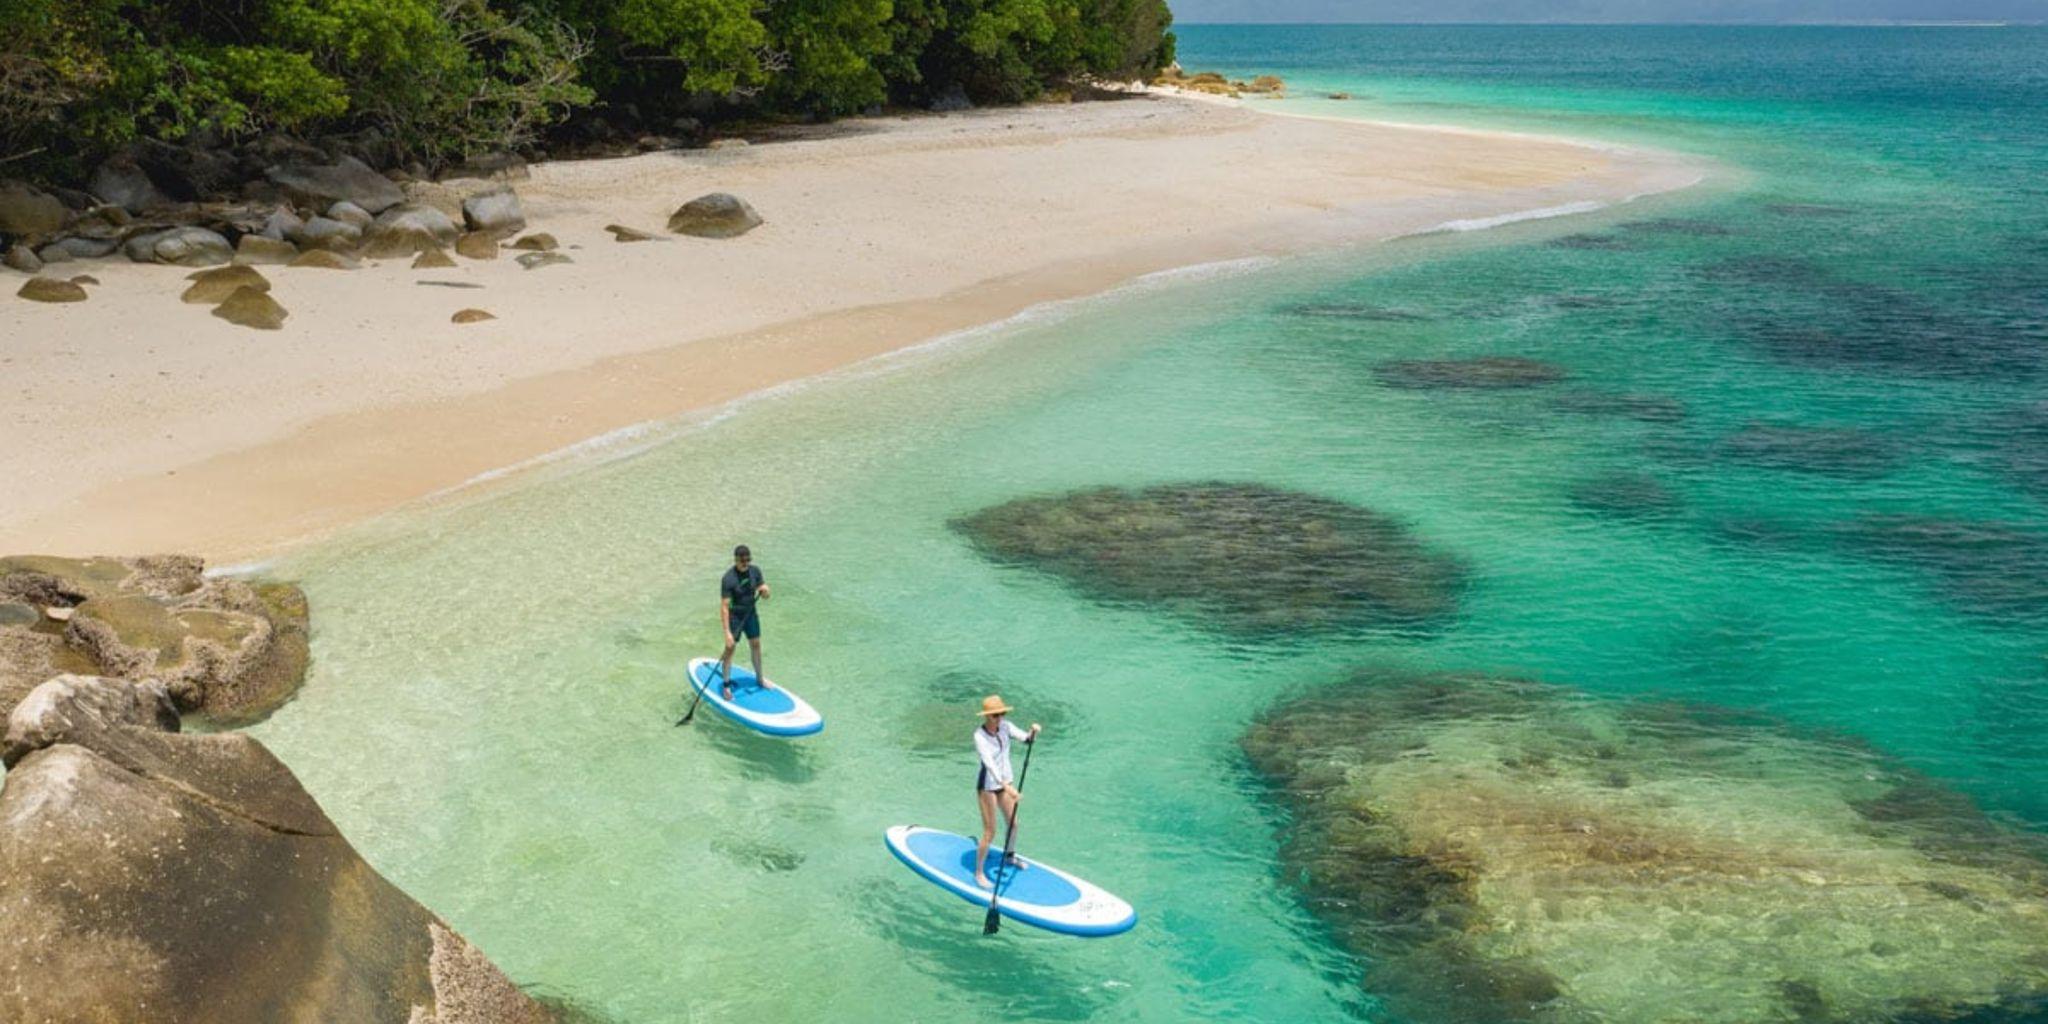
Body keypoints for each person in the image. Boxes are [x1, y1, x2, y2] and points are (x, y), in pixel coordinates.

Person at [972, 694, 1041, 890]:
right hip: (988, 786)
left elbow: (1027, 740)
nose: (999, 718)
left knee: (1013, 824)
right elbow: (990, 764)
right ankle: (978, 872)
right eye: (995, 715)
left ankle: (1009, 857)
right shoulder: (979, 736)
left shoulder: (1006, 727)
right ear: (986, 716)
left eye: (1001, 714)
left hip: (1005, 783)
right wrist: (1007, 786)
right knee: (990, 831)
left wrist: (1033, 732)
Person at [717, 545, 771, 700]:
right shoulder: (728, 578)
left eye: (748, 560)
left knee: (756, 644)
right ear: (735, 560)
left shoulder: (755, 571)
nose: (746, 563)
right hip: (735, 616)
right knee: (730, 647)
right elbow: (725, 607)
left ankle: (760, 678)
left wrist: (766, 591)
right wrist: (727, 632)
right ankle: (726, 685)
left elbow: (764, 592)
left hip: (750, 614)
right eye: (742, 561)